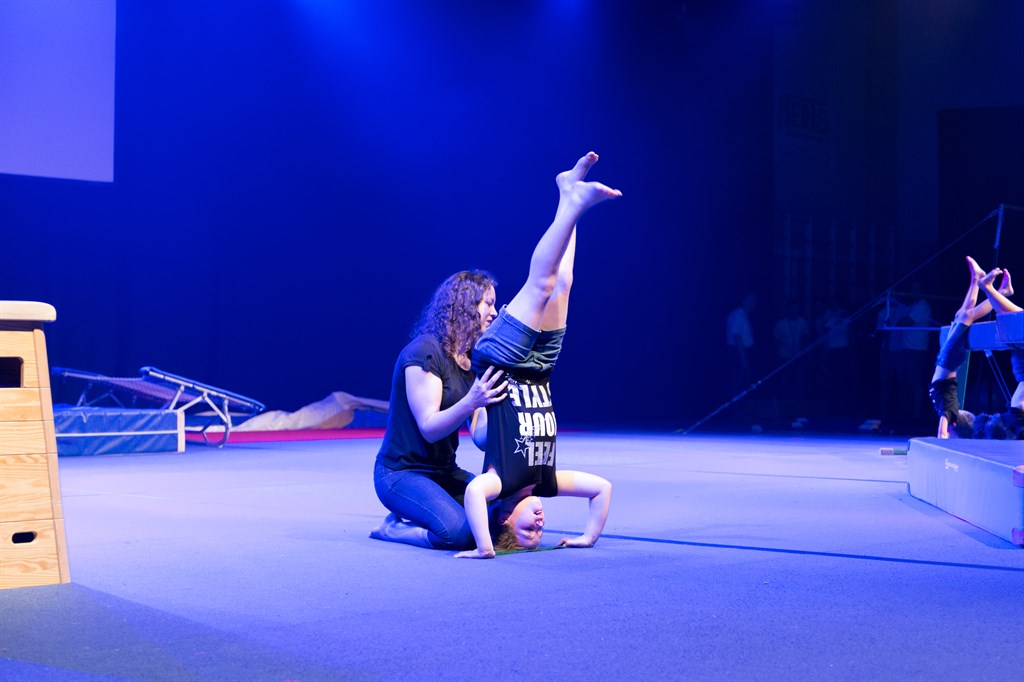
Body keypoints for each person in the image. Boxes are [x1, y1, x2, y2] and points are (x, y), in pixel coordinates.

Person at [454, 152, 618, 559]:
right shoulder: (546, 482)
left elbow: (473, 493)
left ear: (505, 518)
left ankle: (574, 204)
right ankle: (568, 193)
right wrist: (587, 537)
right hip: (542, 368)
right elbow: (602, 489)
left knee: (541, 285)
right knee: (563, 283)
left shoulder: (500, 483)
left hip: (503, 361)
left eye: (527, 530)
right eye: (539, 532)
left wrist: (485, 547)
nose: (540, 523)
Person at [370, 271, 509, 550]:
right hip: (401, 473)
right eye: (488, 303)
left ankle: (430, 509)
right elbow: (429, 428)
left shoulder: (473, 360)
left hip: (444, 472)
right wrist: (472, 401)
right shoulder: (425, 352)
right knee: (461, 534)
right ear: (465, 305)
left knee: (503, 513)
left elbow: (480, 438)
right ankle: (393, 529)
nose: (494, 312)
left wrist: (498, 410)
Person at [928, 256, 1024, 440]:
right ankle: (992, 288)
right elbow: (942, 433)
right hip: (948, 361)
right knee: (965, 316)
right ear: (954, 427)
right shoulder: (949, 412)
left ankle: (988, 286)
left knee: (962, 315)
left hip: (948, 361)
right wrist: (942, 441)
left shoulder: (949, 410)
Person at [726, 293, 757, 392]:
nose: (754, 302)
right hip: (738, 352)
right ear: (744, 301)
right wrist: (743, 358)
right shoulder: (738, 315)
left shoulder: (744, 314)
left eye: (755, 299)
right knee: (739, 381)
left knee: (745, 380)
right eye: (751, 299)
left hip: (743, 351)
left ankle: (745, 399)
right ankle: (737, 400)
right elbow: (736, 336)